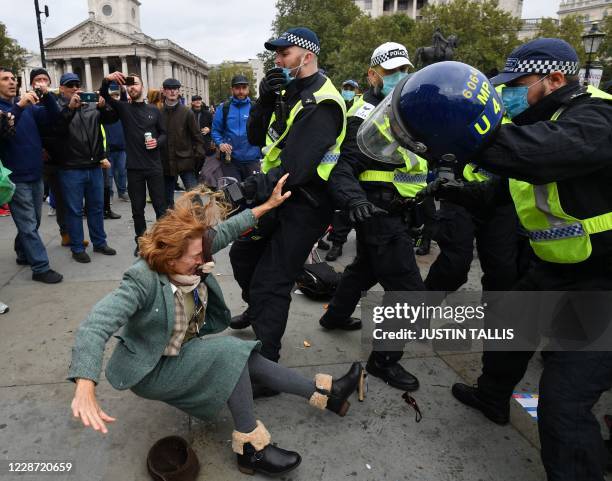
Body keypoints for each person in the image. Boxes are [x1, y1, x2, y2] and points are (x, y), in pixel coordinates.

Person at [359, 40, 612, 481]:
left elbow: (539, 156)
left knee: (564, 401)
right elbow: (497, 194)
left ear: (554, 79)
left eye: (515, 86)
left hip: (605, 277)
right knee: (511, 334)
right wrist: (450, 189)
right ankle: (493, 398)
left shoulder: (597, 116)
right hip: (557, 266)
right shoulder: (540, 119)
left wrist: (456, 132)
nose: (508, 96)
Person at [68, 174, 362, 477]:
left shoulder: (195, 252)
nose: (205, 261)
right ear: (170, 258)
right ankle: (251, 449)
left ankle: (327, 394)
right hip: (152, 367)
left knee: (247, 358)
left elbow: (231, 228)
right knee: (229, 353)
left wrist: (269, 204)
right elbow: (95, 326)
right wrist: (85, 383)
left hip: (184, 348)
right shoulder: (141, 280)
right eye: (197, 257)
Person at [227, 28, 347, 381]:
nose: (277, 60)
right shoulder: (290, 92)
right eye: (276, 54)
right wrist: (263, 102)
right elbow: (254, 138)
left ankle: (267, 369)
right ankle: (259, 310)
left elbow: (295, 167)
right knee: (242, 255)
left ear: (306, 56)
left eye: (284, 53)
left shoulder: (323, 102)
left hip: (304, 205)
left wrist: (245, 190)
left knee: (272, 281)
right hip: (276, 196)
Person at [318, 42, 425, 392]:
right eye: (393, 72)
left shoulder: (407, 109)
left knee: (364, 267)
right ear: (373, 74)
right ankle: (383, 361)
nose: (401, 77)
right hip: (378, 212)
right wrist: (354, 202)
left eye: (405, 70)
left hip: (397, 210)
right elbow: (342, 166)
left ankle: (334, 316)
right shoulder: (363, 116)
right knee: (408, 292)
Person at [0, 66, 63, 283]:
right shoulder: (14, 107)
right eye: (5, 79)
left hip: (36, 172)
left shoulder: (28, 106)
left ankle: (22, 251)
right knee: (27, 224)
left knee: (33, 220)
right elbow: (3, 131)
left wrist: (46, 96)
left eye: (12, 78)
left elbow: (54, 117)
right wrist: (18, 106)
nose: (11, 82)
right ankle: (40, 267)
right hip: (14, 176)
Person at [100, 72, 167, 256]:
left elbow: (164, 134)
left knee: (160, 208)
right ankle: (141, 242)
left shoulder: (154, 110)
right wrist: (108, 80)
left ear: (142, 86)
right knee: (137, 209)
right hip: (134, 168)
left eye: (135, 83)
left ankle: (162, 242)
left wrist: (157, 142)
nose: (132, 87)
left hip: (154, 167)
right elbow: (104, 96)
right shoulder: (124, 108)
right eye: (128, 84)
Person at [55, 72, 117, 263]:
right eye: (69, 85)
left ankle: (99, 242)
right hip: (71, 167)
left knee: (96, 207)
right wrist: (70, 109)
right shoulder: (58, 107)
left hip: (93, 165)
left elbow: (111, 119)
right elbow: (57, 128)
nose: (74, 88)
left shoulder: (91, 104)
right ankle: (77, 247)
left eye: (77, 84)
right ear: (62, 89)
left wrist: (104, 106)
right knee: (74, 210)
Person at [160, 78, 205, 208]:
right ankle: (170, 225)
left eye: (175, 89)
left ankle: (201, 223)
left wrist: (197, 159)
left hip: (186, 161)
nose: (173, 91)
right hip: (166, 161)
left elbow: (197, 137)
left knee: (194, 196)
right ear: (164, 91)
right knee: (166, 198)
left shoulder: (187, 112)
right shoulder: (159, 112)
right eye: (169, 89)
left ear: (179, 91)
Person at [211, 74, 261, 182]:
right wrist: (220, 143)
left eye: (244, 88)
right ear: (232, 89)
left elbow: (263, 130)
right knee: (234, 195)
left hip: (252, 159)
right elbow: (215, 131)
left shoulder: (255, 107)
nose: (241, 91)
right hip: (231, 160)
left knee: (253, 195)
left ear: (248, 89)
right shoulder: (224, 108)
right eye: (237, 88)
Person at [103, 84, 129, 202]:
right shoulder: (105, 113)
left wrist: (123, 91)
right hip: (109, 150)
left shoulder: (122, 112)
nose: (115, 98)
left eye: (116, 96)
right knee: (109, 174)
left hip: (121, 148)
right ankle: (110, 194)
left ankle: (122, 192)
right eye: (112, 96)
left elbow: (124, 102)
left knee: (122, 172)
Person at [190, 94, 214, 178]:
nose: (198, 101)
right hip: (193, 141)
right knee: (195, 161)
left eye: (199, 99)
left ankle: (204, 178)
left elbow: (214, 126)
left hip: (205, 141)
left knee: (205, 160)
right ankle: (195, 178)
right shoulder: (189, 113)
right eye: (195, 100)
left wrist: (209, 129)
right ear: (192, 102)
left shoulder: (207, 113)